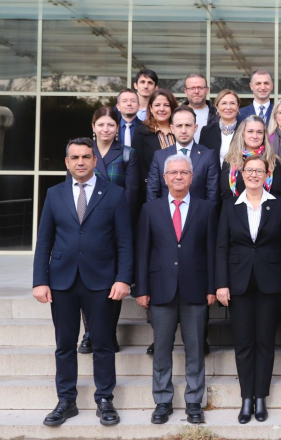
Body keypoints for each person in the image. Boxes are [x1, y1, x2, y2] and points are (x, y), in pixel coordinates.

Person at [33, 138, 132, 427]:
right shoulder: (54, 194)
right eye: (74, 157)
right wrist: (40, 280)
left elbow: (125, 242)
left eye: (86, 157)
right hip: (61, 281)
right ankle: (66, 400)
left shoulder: (114, 194)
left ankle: (105, 399)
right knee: (65, 345)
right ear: (66, 162)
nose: (80, 162)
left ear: (93, 161)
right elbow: (44, 242)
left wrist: (123, 278)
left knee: (102, 343)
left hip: (101, 281)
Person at [135, 154, 217, 425]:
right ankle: (162, 400)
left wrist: (211, 287)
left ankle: (194, 401)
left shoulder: (206, 208)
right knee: (161, 349)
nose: (178, 177)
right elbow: (143, 252)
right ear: (165, 177)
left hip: (195, 289)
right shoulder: (151, 209)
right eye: (173, 173)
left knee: (195, 349)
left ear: (192, 177)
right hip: (160, 289)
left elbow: (211, 252)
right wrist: (142, 289)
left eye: (184, 172)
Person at [216, 155, 281, 424]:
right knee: (243, 342)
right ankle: (246, 398)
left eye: (259, 171)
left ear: (267, 175)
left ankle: (261, 396)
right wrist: (221, 284)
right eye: (249, 170)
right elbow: (222, 248)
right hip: (238, 284)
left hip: (270, 283)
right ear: (241, 173)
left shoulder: (279, 205)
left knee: (265, 341)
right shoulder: (230, 206)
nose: (253, 175)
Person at [75, 107, 140, 356]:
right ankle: (90, 333)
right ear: (93, 126)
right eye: (101, 124)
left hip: (115, 225)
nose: (105, 129)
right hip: (85, 225)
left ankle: (108, 333)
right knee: (86, 281)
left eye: (110, 125)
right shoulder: (82, 152)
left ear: (117, 128)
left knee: (113, 281)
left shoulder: (127, 153)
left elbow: (132, 193)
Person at [146, 106, 219, 204]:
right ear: (172, 128)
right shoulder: (160, 156)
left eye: (188, 125)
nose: (183, 130)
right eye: (179, 126)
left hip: (198, 216)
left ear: (195, 127)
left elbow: (212, 194)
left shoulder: (208, 156)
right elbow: (152, 192)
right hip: (165, 216)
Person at [221, 115, 281, 200]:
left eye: (259, 132)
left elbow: (276, 194)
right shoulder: (230, 160)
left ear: (264, 135)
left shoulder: (273, 161)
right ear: (243, 133)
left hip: (266, 209)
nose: (255, 136)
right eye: (250, 131)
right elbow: (226, 194)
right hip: (235, 210)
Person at [132, 89, 177, 206]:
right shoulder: (141, 132)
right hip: (151, 193)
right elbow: (138, 167)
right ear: (151, 108)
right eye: (157, 105)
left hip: (180, 191)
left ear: (172, 108)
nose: (161, 109)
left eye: (166, 105)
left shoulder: (180, 131)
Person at [199, 89, 240, 167]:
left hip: (239, 177)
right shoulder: (207, 131)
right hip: (214, 177)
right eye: (224, 103)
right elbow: (202, 160)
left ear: (237, 107)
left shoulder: (245, 130)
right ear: (217, 107)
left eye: (232, 103)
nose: (228, 107)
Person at [180, 73, 217, 143]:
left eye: (200, 88)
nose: (196, 91)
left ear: (207, 90)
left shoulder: (217, 114)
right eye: (192, 88)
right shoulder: (175, 114)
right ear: (185, 91)